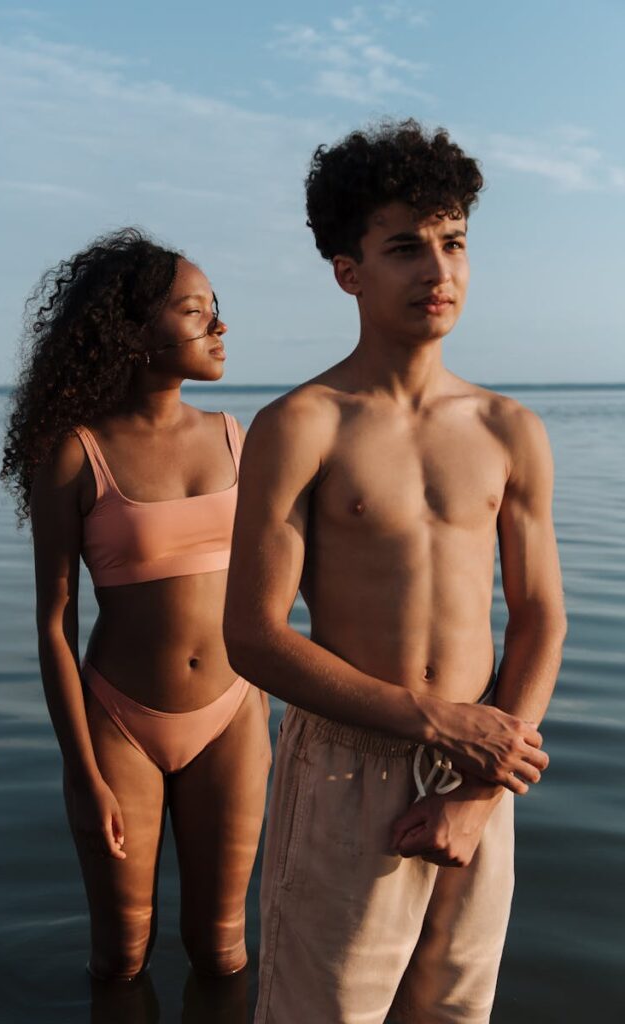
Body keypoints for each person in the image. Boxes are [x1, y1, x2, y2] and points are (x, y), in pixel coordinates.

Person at [224, 121, 566, 1023]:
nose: (437, 270)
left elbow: (539, 617)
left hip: (483, 764)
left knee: (454, 1013)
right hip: (350, 763)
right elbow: (251, 637)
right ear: (349, 271)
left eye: (453, 243)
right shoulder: (302, 424)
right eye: (406, 248)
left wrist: (482, 788)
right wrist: (438, 720)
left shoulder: (508, 429)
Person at [1, 228, 271, 990]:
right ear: (133, 332)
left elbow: (278, 587)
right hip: (118, 723)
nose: (218, 324)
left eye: (214, 306)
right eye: (194, 310)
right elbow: (53, 624)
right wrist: (82, 772)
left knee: (222, 951)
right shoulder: (74, 453)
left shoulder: (237, 439)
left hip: (232, 714)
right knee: (121, 955)